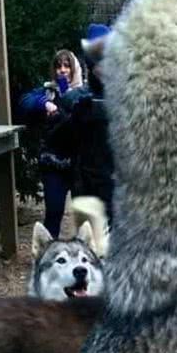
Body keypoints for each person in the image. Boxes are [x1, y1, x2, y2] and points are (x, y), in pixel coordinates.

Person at [48, 24, 114, 221]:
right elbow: (57, 141)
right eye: (98, 63)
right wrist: (74, 118)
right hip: (85, 183)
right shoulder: (76, 99)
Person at [19, 49, 83, 238]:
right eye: (58, 66)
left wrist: (69, 96)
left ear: (74, 68)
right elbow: (24, 101)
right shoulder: (48, 91)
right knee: (54, 213)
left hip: (79, 164)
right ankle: (48, 255)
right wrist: (44, 103)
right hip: (53, 162)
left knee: (83, 216)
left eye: (66, 65)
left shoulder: (83, 91)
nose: (62, 70)